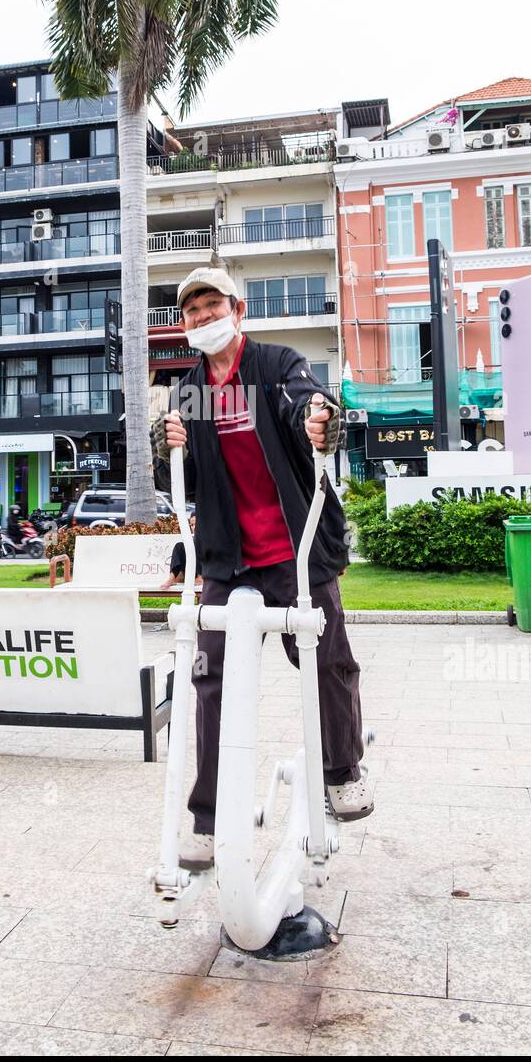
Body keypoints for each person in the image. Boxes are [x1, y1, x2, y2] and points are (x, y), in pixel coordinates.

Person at [153, 266, 370, 872]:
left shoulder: (276, 364)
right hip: (227, 555)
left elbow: (307, 406)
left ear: (237, 308)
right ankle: (208, 816)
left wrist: (318, 419)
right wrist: (165, 445)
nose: (201, 318)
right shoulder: (189, 389)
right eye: (191, 311)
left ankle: (342, 770)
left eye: (210, 305)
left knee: (326, 660)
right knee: (209, 679)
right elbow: (188, 483)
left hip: (295, 547)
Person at [160, 514, 202, 590]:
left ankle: (200, 577)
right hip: (190, 571)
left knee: (200, 544)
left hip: (207, 573)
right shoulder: (191, 540)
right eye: (192, 525)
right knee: (179, 546)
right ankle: (172, 578)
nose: (194, 527)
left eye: (197, 524)